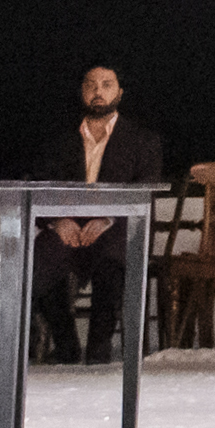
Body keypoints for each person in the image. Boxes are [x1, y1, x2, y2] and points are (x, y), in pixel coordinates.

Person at [31, 64, 166, 361]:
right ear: (82, 91)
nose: (98, 92)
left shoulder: (142, 140)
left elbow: (146, 190)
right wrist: (57, 220)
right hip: (69, 226)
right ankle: (66, 345)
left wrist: (107, 219)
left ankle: (98, 349)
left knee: (113, 261)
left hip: (114, 228)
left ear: (119, 92)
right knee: (39, 257)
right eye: (91, 85)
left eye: (106, 84)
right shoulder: (61, 141)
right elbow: (40, 188)